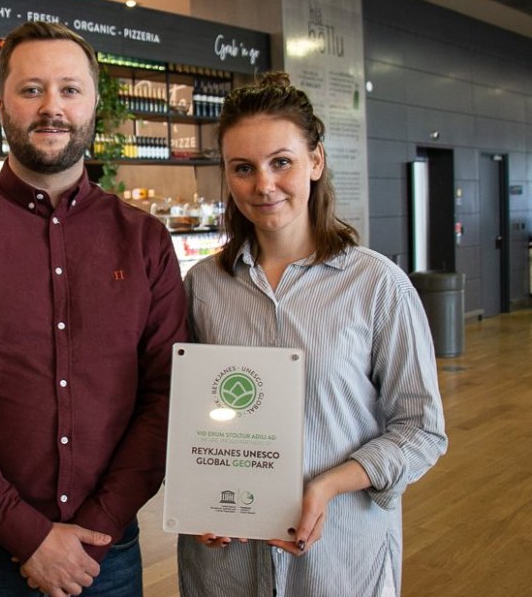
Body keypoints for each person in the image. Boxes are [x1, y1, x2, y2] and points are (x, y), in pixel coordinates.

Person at [0, 21, 187, 597]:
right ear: (2, 101)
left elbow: (168, 393)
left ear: (95, 104)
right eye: (31, 89)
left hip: (104, 552)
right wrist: (28, 535)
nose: (52, 107)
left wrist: (96, 526)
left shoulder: (145, 240)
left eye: (70, 89)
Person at [178, 72, 448, 596]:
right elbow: (184, 413)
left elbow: (421, 430)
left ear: (316, 162)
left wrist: (328, 485)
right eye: (243, 168)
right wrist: (199, 497)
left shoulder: (377, 285)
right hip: (229, 566)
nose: (264, 184)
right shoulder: (203, 287)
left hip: (341, 559)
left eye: (282, 162)